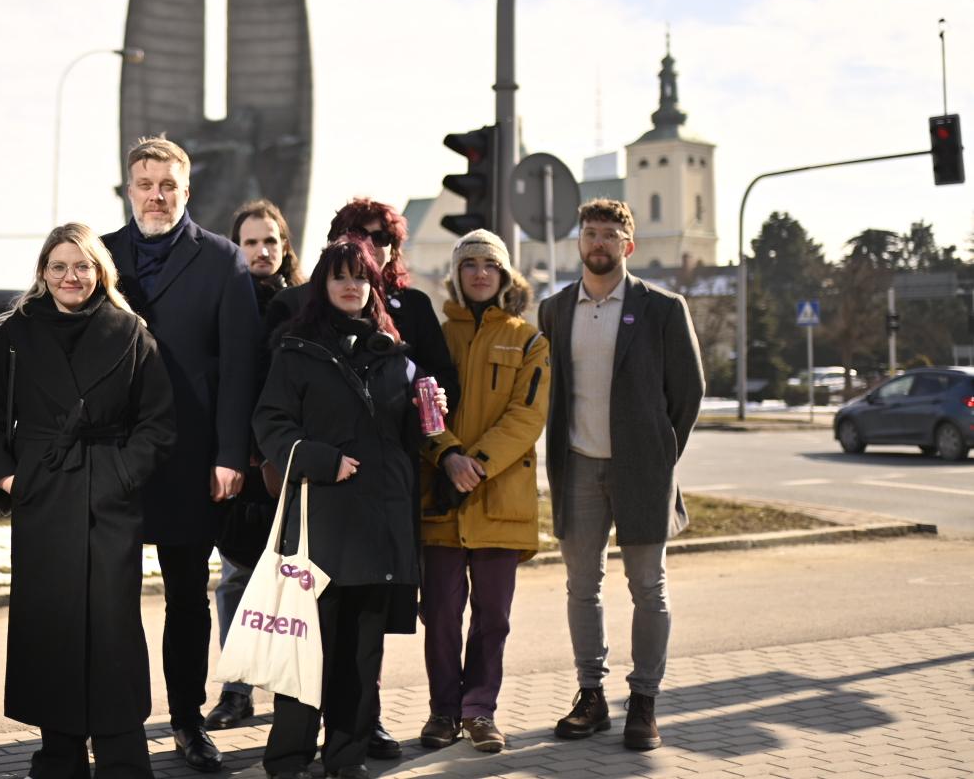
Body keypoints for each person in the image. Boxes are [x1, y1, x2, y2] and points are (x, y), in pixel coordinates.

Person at [0, 223, 175, 779]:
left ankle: (122, 760)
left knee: (113, 628)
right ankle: (58, 758)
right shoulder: (15, 335)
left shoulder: (131, 333)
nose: (70, 276)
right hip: (44, 493)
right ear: (43, 273)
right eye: (58, 266)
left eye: (82, 265)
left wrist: (120, 474)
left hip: (109, 495)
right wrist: (9, 480)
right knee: (51, 626)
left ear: (99, 271)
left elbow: (157, 423)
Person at [263, 196, 459, 757]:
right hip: (320, 524)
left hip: (378, 525)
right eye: (341, 277)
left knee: (360, 652)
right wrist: (319, 460)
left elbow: (406, 437)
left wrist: (430, 414)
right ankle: (290, 757)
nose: (351, 287)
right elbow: (270, 424)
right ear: (322, 285)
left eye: (362, 279)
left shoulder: (397, 357)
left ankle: (346, 757)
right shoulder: (296, 351)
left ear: (375, 286)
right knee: (307, 647)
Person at [101, 137, 263, 772]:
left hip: (192, 459)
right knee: (108, 601)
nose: (156, 195)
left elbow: (240, 366)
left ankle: (188, 721)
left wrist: (231, 455)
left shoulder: (222, 259)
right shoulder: (99, 256)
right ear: (129, 189)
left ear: (186, 191)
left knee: (187, 600)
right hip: (111, 460)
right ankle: (112, 720)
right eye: (145, 184)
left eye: (168, 184)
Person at [537, 199, 704, 752]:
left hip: (642, 471)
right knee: (582, 586)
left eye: (610, 234)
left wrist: (659, 452)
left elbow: (689, 391)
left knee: (648, 587)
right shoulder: (555, 309)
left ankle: (645, 701)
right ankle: (591, 697)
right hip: (578, 465)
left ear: (628, 245)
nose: (599, 242)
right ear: (579, 242)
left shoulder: (663, 308)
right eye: (591, 233)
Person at [417, 229, 550, 755]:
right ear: (456, 274)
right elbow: (419, 408)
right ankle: (443, 712)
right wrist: (447, 455)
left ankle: (479, 712)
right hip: (442, 500)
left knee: (493, 618)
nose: (479, 273)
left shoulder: (529, 340)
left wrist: (476, 464)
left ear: (504, 275)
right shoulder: (433, 337)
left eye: (489, 265)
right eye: (469, 264)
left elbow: (527, 416)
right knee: (440, 617)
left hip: (500, 500)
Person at [206, 199, 306, 731]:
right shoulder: (226, 299)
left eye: (271, 240)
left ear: (285, 245)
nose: (262, 250)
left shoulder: (305, 304)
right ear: (236, 247)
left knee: (298, 582)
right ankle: (237, 690)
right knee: (236, 579)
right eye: (251, 242)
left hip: (294, 465)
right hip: (241, 465)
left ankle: (295, 692)